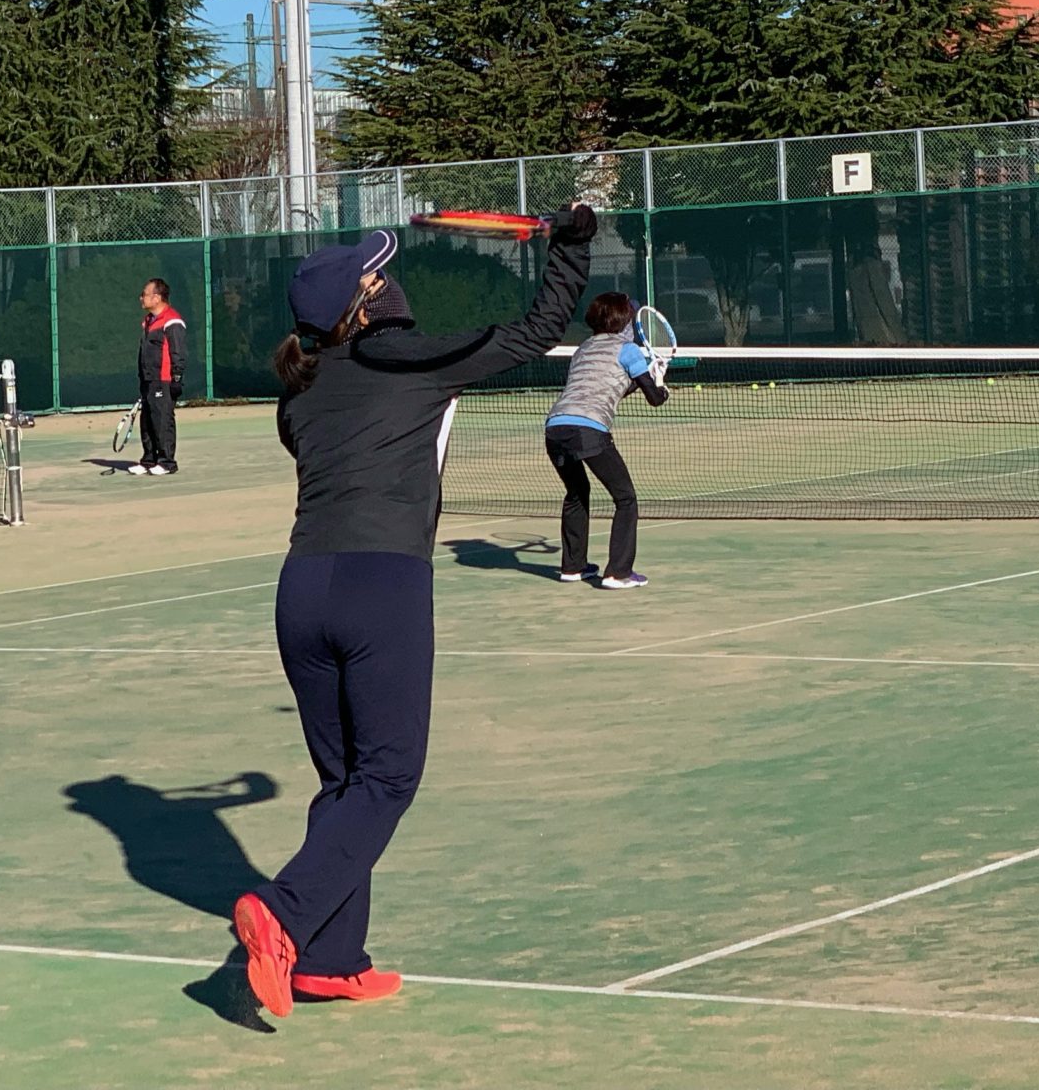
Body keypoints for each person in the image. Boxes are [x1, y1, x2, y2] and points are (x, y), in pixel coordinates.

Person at [232, 204, 595, 1018]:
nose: (389, 281)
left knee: (344, 783)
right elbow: (538, 332)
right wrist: (574, 248)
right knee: (389, 776)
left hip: (301, 590)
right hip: (381, 585)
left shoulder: (300, 393)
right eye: (378, 276)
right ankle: (283, 914)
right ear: (364, 307)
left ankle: (330, 960)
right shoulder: (406, 360)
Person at [543, 291, 670, 589]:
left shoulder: (583, 348)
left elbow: (606, 387)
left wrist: (647, 377)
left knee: (577, 492)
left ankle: (573, 567)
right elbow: (655, 399)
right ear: (624, 320)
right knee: (626, 499)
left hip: (555, 428)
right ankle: (618, 573)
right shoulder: (628, 350)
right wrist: (660, 385)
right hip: (588, 430)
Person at [127, 279, 195, 477]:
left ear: (156, 298)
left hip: (164, 380)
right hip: (148, 380)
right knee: (147, 420)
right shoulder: (148, 321)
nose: (141, 298)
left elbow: (178, 352)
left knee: (162, 420)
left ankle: (167, 462)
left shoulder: (172, 321)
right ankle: (149, 460)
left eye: (144, 294)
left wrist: (176, 378)